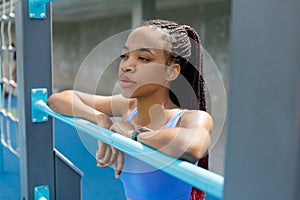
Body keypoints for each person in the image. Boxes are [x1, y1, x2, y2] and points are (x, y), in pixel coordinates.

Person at [47, 19, 213, 200]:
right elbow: (58, 99)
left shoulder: (192, 118)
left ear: (171, 72)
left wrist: (134, 134)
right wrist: (100, 118)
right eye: (124, 56)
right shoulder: (127, 107)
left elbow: (190, 146)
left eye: (143, 58)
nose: (126, 66)